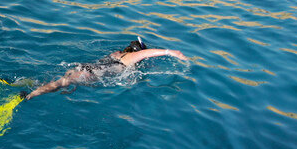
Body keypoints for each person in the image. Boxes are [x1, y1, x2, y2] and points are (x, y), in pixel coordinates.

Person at [20, 37, 187, 101]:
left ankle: (25, 84)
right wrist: (170, 52)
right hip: (88, 74)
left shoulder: (117, 54)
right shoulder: (130, 59)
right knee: (61, 84)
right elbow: (147, 54)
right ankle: (29, 96)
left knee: (58, 83)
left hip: (82, 67)